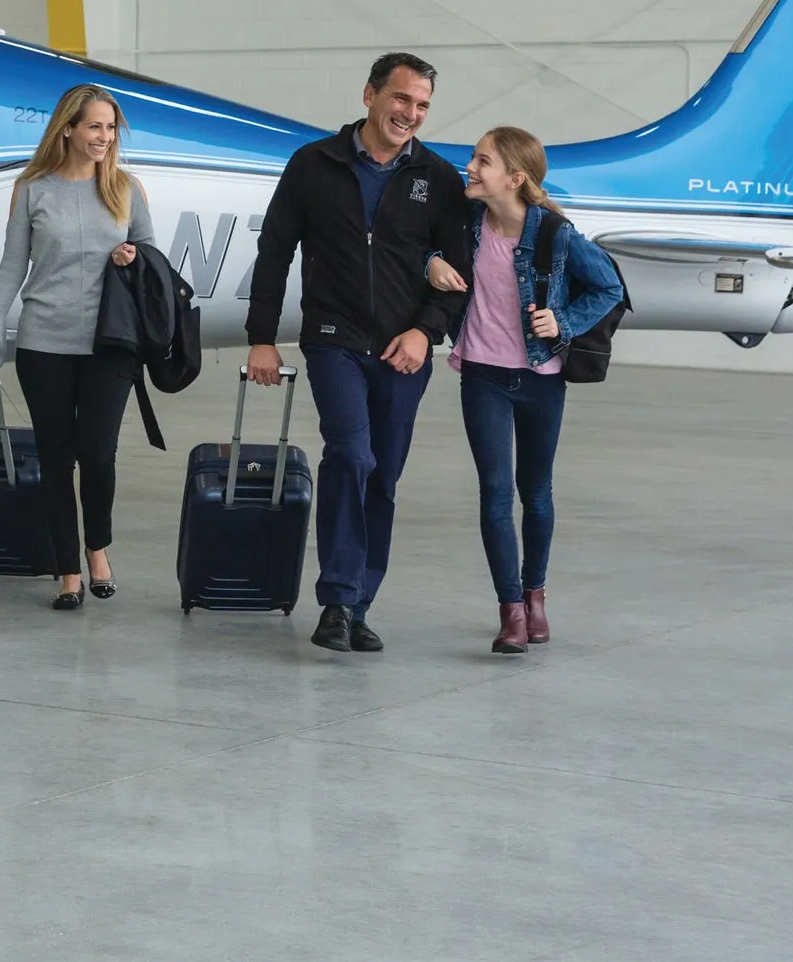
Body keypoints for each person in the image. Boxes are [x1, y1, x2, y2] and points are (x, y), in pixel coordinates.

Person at [245, 53, 469, 654]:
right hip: (334, 339)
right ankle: (338, 600)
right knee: (351, 455)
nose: (410, 115)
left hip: (404, 350)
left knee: (385, 476)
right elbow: (273, 252)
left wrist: (426, 331)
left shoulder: (440, 179)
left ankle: (360, 603)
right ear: (369, 95)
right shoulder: (312, 164)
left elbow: (460, 273)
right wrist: (261, 337)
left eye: (422, 106)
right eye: (401, 100)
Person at [427, 126, 627, 654]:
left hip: (541, 378)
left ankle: (536, 595)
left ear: (514, 178)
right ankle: (511, 610)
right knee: (494, 494)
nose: (470, 167)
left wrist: (561, 322)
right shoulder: (466, 222)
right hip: (483, 375)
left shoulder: (554, 234)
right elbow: (420, 240)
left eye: (482, 161)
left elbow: (610, 287)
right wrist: (431, 261)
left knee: (535, 493)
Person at [0, 84, 155, 610]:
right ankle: (68, 570)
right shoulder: (32, 189)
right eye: (95, 126)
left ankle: (98, 548)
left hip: (111, 343)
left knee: (98, 454)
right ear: (68, 128)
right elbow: (12, 265)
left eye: (111, 127)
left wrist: (130, 258)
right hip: (44, 341)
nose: (104, 136)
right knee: (56, 459)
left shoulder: (126, 188)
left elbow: (153, 261)